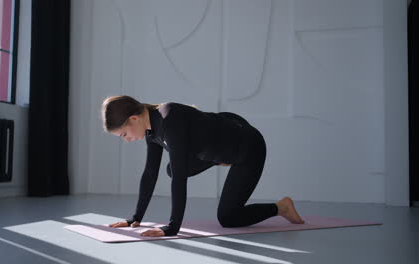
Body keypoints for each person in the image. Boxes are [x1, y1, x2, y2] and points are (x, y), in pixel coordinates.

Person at [102, 95, 304, 237]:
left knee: (228, 218)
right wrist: (135, 218)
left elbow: (181, 178)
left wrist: (172, 228)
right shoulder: (150, 132)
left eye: (124, 135)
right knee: (171, 169)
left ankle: (281, 207)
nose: (127, 140)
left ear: (134, 118)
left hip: (248, 147)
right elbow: (150, 174)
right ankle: (217, 157)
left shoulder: (168, 116)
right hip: (221, 141)